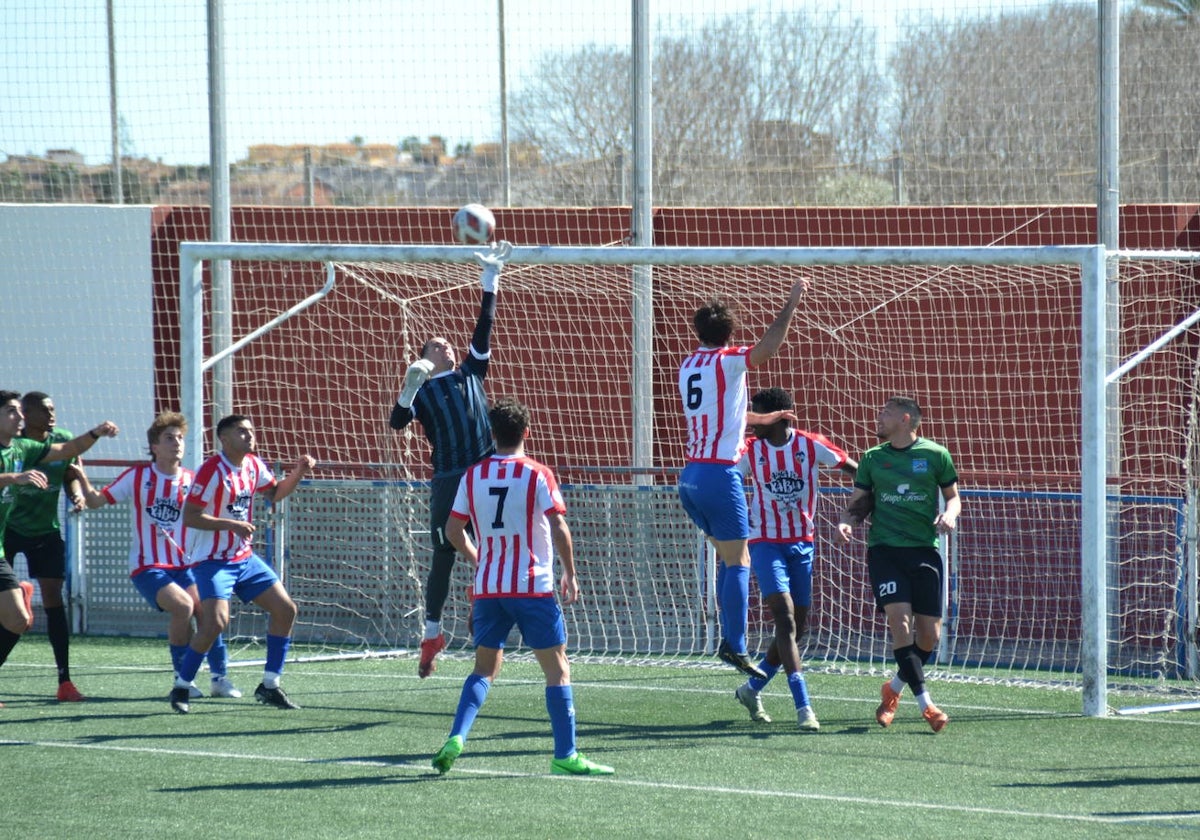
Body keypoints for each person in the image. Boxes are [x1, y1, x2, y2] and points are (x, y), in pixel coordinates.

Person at [431, 397, 613, 777]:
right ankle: (565, 754)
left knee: (483, 669)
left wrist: (480, 559)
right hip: (531, 587)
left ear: (492, 434)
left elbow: (452, 531)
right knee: (557, 670)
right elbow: (559, 526)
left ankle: (458, 736)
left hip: (489, 588)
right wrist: (570, 572)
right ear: (526, 432)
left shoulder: (473, 475)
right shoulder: (536, 473)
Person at [389, 240, 511, 679]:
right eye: (436, 344)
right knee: (443, 554)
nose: (446, 345)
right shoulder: (421, 390)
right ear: (425, 357)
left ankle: (484, 614)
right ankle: (433, 632)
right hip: (448, 479)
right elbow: (396, 422)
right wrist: (409, 385)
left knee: (493, 547)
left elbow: (484, 329)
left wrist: (490, 282)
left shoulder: (471, 373)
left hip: (485, 476)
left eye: (446, 342)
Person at [677, 278, 809, 678]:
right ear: (731, 334)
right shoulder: (729, 360)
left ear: (697, 331)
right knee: (740, 561)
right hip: (719, 475)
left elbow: (724, 412)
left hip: (689, 479)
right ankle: (734, 645)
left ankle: (728, 639)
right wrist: (791, 302)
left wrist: (765, 418)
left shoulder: (689, 366)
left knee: (728, 558)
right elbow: (767, 348)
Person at [68, 412, 241, 700]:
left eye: (180, 438)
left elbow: (213, 511)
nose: (176, 443)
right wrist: (83, 481)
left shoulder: (192, 479)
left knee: (208, 612)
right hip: (148, 567)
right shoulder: (138, 477)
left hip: (186, 565)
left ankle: (219, 678)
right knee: (183, 607)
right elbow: (97, 501)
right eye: (169, 438)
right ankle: (181, 679)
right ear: (155, 447)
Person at [168, 413, 315, 714]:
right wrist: (231, 525)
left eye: (251, 430)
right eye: (242, 432)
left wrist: (298, 472)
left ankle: (270, 685)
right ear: (224, 439)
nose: (250, 435)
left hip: (243, 557)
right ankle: (181, 686)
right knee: (215, 623)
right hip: (212, 560)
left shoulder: (253, 465)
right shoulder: (211, 470)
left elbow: (274, 494)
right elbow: (191, 516)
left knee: (286, 609)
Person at [731, 388, 857, 731]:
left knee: (799, 628)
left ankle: (751, 688)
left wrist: (867, 504)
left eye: (757, 414)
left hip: (802, 543)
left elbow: (857, 471)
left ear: (778, 416)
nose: (751, 421)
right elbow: (728, 482)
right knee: (784, 620)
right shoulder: (750, 450)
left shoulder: (809, 444)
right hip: (764, 543)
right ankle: (804, 707)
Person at [838, 396, 961, 733]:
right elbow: (858, 503)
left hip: (924, 552)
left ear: (906, 419)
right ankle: (927, 706)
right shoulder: (872, 458)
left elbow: (953, 496)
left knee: (929, 636)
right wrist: (847, 521)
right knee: (900, 624)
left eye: (886, 413)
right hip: (885, 552)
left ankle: (892, 690)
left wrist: (949, 515)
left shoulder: (935, 455)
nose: (878, 416)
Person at [0, 390, 118, 707]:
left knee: (33, 610)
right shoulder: (14, 450)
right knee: (13, 615)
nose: (20, 417)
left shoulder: (27, 446)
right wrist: (16, 477)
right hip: (9, 533)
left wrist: (96, 433)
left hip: (38, 534)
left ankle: (64, 679)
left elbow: (68, 455)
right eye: (13, 411)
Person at [3, 392, 87, 701]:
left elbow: (70, 473)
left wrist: (76, 493)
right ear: (26, 413)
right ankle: (19, 594)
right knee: (7, 610)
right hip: (9, 530)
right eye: (45, 409)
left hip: (45, 530)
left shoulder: (61, 439)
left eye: (54, 408)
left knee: (54, 599)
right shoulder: (15, 443)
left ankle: (65, 681)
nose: (52, 414)